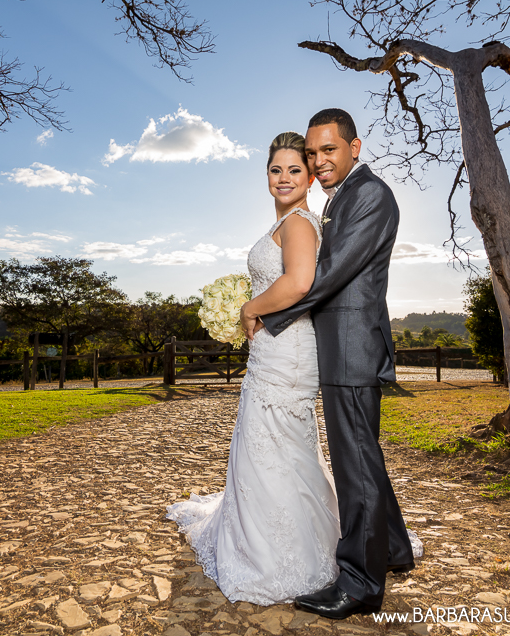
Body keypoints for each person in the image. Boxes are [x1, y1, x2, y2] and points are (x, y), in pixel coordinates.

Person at [243, 108, 418, 619]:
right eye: (312, 153)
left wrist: (264, 314)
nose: (318, 162)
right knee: (364, 458)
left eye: (328, 151)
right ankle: (392, 549)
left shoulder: (369, 194)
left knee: (355, 466)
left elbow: (328, 274)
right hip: (341, 345)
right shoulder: (340, 198)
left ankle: (361, 585)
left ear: (354, 148)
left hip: (352, 346)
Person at [166, 132, 341, 606]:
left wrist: (248, 309)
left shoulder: (300, 223)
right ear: (266, 175)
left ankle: (283, 557)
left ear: (309, 177)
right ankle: (268, 538)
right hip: (274, 349)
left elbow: (299, 282)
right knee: (270, 446)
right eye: (275, 170)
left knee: (278, 445)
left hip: (288, 349)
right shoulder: (287, 223)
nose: (284, 179)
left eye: (294, 171)